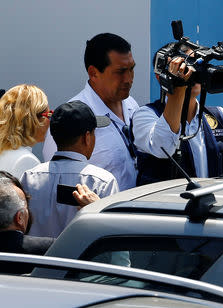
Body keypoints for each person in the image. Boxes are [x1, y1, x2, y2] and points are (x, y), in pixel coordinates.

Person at [132, 43, 223, 185]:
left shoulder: (221, 116)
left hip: (211, 205)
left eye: (195, 65)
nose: (192, 73)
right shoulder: (145, 116)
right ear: (159, 77)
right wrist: (178, 87)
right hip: (168, 206)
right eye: (185, 67)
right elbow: (163, 146)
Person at [43, 33, 139, 191]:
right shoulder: (71, 119)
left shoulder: (131, 104)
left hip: (135, 210)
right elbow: (57, 184)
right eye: (120, 72)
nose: (129, 79)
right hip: (99, 213)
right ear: (93, 73)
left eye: (131, 69)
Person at [21, 101, 119, 238]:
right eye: (94, 133)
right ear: (87, 138)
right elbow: (112, 234)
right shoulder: (102, 181)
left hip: (36, 259)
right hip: (80, 259)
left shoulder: (28, 177)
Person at [0, 84, 51, 178]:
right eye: (48, 114)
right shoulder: (26, 160)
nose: (50, 121)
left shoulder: (4, 151)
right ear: (32, 120)